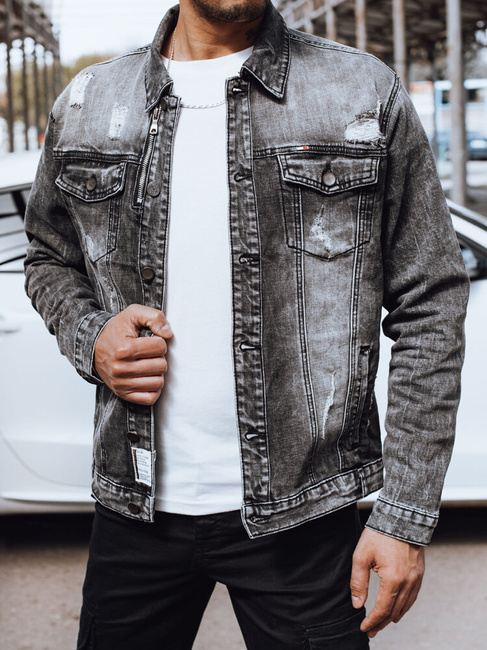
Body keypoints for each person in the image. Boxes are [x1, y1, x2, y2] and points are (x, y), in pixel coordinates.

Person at [24, 1, 469, 648]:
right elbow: (48, 256)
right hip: (135, 510)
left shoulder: (361, 92)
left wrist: (403, 515)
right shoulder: (90, 101)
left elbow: (430, 299)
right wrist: (90, 336)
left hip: (307, 514)